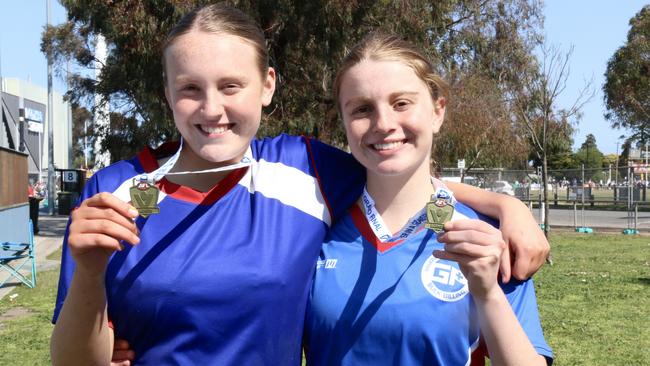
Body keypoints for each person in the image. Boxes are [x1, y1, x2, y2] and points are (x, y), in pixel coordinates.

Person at [50, 4, 549, 366]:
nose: (211, 109)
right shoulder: (112, 193)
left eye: (230, 86)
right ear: (167, 93)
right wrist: (90, 277)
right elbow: (75, 362)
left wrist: (505, 205)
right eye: (189, 90)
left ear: (267, 85)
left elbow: (398, 165)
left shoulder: (304, 167)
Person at [303, 32, 553, 365]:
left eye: (401, 103)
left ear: (437, 111)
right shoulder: (313, 226)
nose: (384, 124)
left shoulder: (489, 237)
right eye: (362, 109)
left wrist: (488, 292)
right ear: (344, 122)